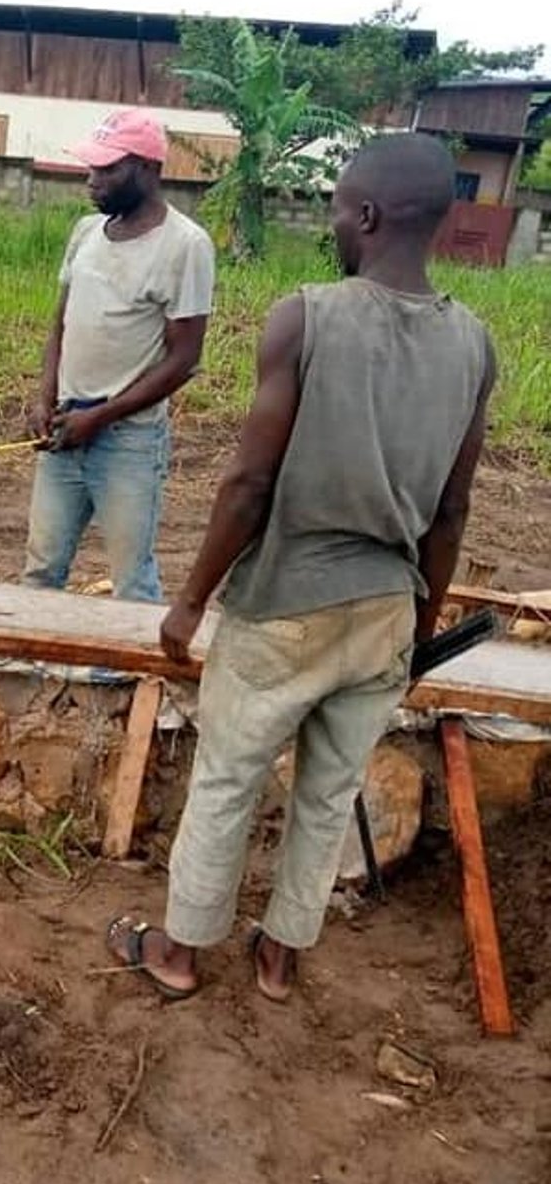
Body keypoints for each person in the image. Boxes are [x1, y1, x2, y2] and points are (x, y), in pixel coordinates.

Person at [108, 132, 495, 1004]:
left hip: (287, 604)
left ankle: (178, 952)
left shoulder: (307, 317)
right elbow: (452, 511)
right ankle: (279, 960)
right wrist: (419, 627)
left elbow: (249, 483)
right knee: (327, 795)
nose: (334, 224)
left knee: (228, 778)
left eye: (338, 209)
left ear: (368, 215)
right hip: (386, 610)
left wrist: (190, 601)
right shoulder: (473, 344)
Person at [23, 109, 214, 600]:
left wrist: (101, 417)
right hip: (65, 427)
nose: (93, 180)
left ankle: (133, 655)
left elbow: (184, 359)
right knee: (41, 570)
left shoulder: (185, 245)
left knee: (132, 581)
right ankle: (32, 646)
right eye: (92, 168)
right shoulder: (87, 233)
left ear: (148, 169)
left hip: (129, 439)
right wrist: (44, 399)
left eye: (108, 170)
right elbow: (61, 324)